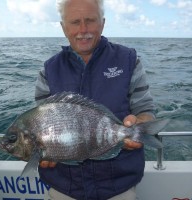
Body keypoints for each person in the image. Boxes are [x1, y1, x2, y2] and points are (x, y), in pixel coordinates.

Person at [35, 0, 155, 199]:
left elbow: (146, 111)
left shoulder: (129, 60)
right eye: (74, 22)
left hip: (119, 188)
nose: (83, 29)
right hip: (64, 188)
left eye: (90, 20)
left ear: (103, 23)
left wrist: (138, 126)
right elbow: (42, 125)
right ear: (63, 27)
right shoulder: (48, 71)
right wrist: (43, 153)